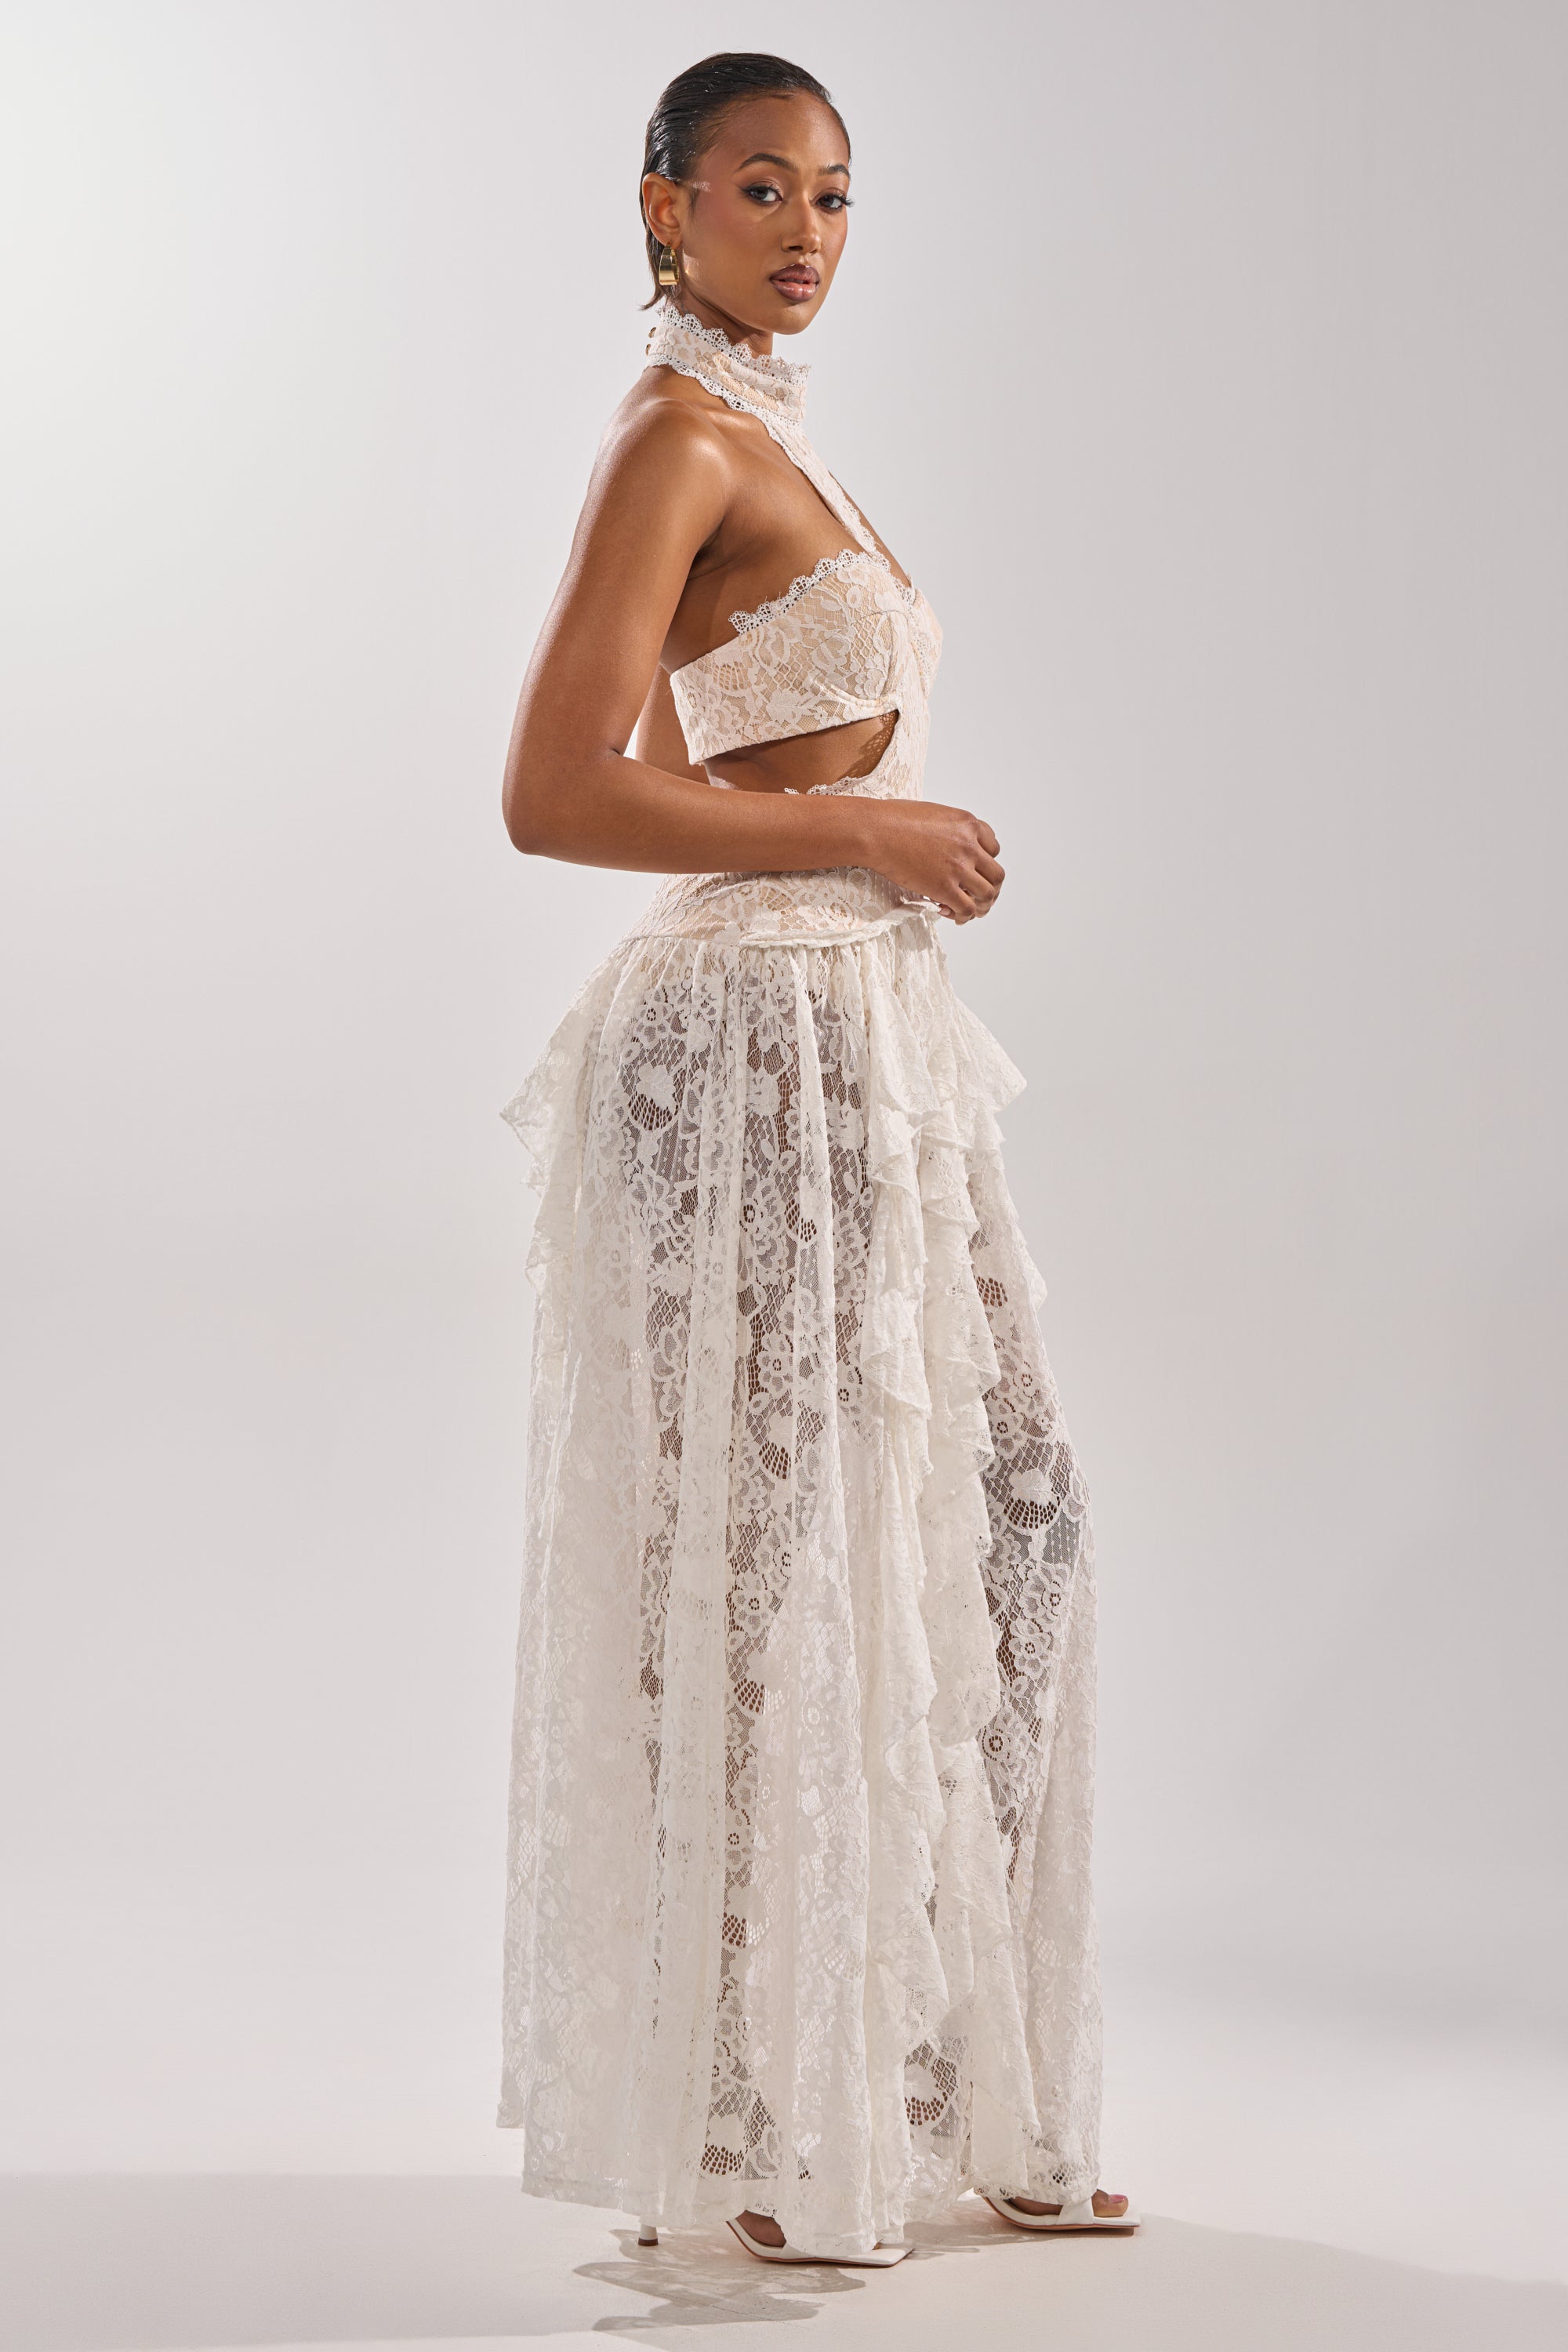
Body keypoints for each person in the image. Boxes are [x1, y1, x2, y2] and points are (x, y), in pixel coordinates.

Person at [495, 51, 1134, 2266]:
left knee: (1001, 1513)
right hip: (751, 1038)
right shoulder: (675, 441)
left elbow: (701, 748)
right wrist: (859, 828)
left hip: (858, 1042)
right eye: (761, 187)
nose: (806, 230)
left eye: (839, 195)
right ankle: (782, 2129)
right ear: (663, 208)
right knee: (777, 1561)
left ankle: (936, 2084)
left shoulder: (774, 440)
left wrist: (850, 867)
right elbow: (556, 792)